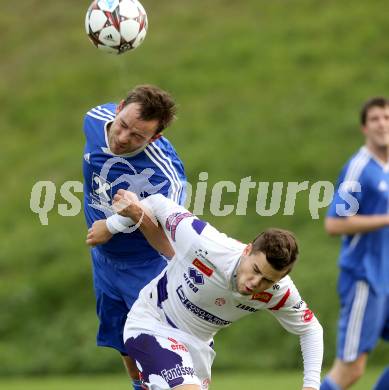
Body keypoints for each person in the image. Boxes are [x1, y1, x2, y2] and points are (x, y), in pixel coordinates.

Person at [88, 189, 324, 390]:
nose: (255, 283)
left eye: (267, 281)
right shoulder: (205, 243)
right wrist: (112, 225)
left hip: (197, 349)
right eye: (255, 270)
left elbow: (311, 329)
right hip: (153, 323)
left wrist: (311, 385)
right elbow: (157, 202)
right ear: (247, 250)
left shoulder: (279, 292)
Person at [82, 85, 186, 390]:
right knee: (126, 345)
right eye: (123, 125)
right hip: (104, 262)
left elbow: (169, 243)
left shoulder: (167, 175)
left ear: (154, 138)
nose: (123, 138)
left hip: (147, 268)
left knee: (160, 356)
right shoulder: (94, 119)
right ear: (119, 108)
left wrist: (113, 225)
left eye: (138, 136)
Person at [320, 97, 389, 390]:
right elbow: (334, 223)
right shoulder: (359, 168)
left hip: (385, 277)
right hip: (365, 277)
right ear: (364, 127)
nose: (382, 123)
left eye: (386, 117)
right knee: (351, 369)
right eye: (374, 119)